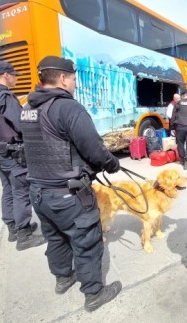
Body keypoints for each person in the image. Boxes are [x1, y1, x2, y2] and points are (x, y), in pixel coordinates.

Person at [20, 56, 122, 312]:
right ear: (63, 78)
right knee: (87, 242)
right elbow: (94, 149)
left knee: (55, 237)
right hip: (68, 194)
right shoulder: (68, 108)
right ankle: (94, 294)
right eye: (74, 80)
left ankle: (63, 278)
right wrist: (112, 164)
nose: (75, 85)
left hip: (38, 192)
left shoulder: (27, 108)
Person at [0, 60, 46, 250]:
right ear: (6, 75)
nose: (16, 78)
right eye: (14, 75)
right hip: (14, 152)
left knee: (7, 189)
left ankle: (13, 228)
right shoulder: (4, 96)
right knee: (21, 191)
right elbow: (21, 123)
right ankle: (24, 235)